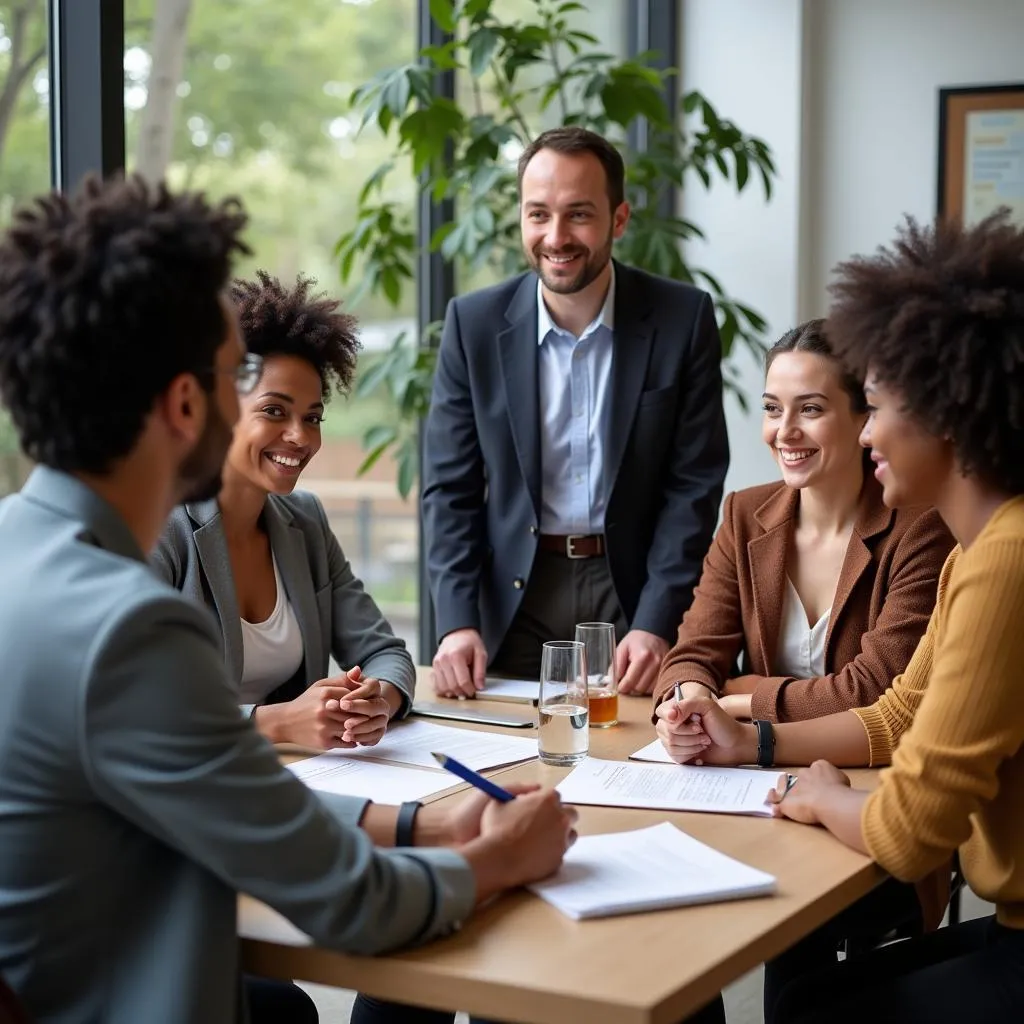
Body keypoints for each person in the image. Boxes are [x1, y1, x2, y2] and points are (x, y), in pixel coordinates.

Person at [0, 175, 577, 1024]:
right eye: (239, 379)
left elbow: (235, 794)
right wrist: (498, 861)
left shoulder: (16, 546)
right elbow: (350, 904)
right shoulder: (130, 626)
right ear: (188, 403)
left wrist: (425, 828)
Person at [658, 211, 1024, 1023]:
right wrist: (754, 741)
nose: (874, 434)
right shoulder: (982, 549)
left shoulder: (1003, 559)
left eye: (882, 406)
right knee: (809, 995)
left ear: (948, 413)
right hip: (1010, 925)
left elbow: (910, 831)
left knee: (808, 1009)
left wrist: (817, 792)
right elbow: (897, 716)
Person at [423, 125, 729, 698]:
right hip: (514, 598)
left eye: (579, 214)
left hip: (632, 595)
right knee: (507, 767)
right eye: (538, 214)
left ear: (618, 219)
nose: (555, 236)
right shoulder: (474, 325)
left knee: (634, 762)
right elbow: (450, 489)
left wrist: (657, 619)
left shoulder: (682, 319)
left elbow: (693, 486)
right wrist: (457, 620)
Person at [153, 271, 413, 750]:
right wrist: (276, 724)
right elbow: (139, 709)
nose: (300, 436)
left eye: (312, 417)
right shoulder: (162, 531)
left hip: (300, 779)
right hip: (189, 792)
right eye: (275, 411)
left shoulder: (306, 520)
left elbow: (385, 652)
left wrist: (380, 700)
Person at [653, 318, 953, 723]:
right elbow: (692, 654)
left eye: (810, 409)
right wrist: (687, 704)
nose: (785, 431)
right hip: (746, 768)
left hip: (866, 771)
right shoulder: (744, 514)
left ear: (864, 418)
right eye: (773, 409)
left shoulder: (920, 529)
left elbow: (875, 689)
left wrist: (745, 698)